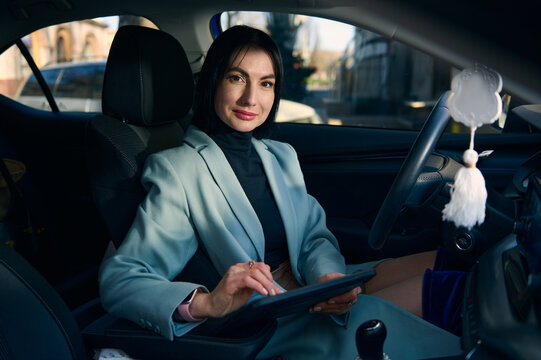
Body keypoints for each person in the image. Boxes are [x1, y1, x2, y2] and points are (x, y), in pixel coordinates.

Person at [99, 25, 462, 359]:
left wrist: (326, 277)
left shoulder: (280, 155)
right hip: (273, 318)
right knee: (454, 296)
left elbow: (313, 238)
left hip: (309, 288)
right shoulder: (177, 169)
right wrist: (205, 303)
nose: (250, 99)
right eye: (237, 78)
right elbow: (123, 277)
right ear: (213, 82)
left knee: (450, 262)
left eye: (266, 83)